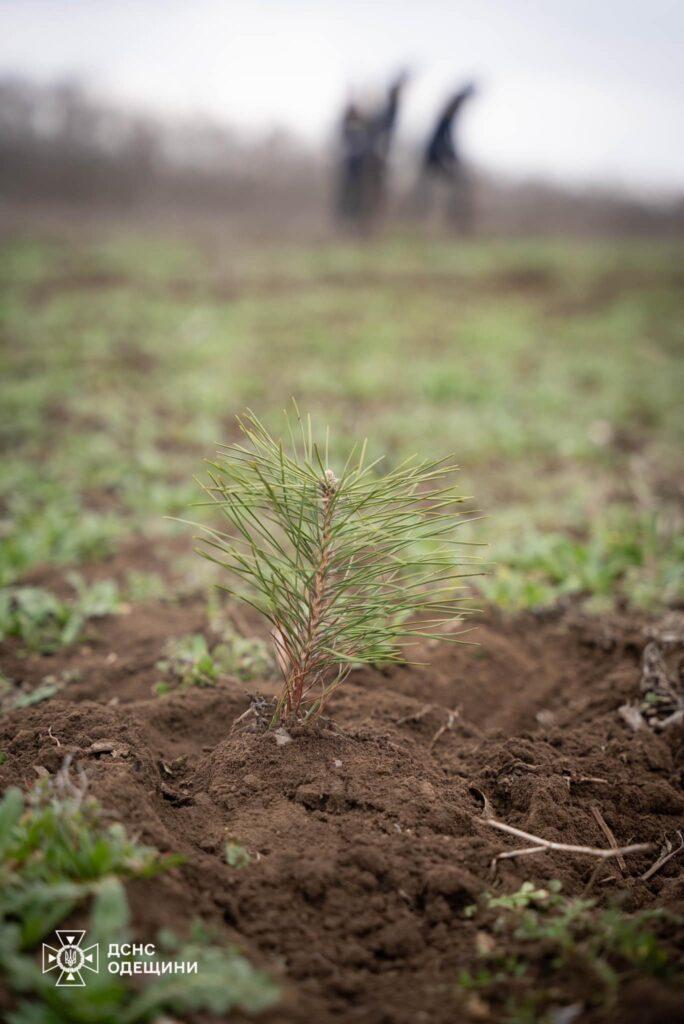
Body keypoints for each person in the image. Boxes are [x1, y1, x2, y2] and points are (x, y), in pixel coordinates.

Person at [336, 72, 409, 232]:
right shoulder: (352, 120)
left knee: (376, 195)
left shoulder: (374, 122)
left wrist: (395, 97)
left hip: (374, 166)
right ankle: (350, 224)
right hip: (354, 167)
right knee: (351, 198)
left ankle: (372, 224)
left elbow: (389, 120)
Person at [419, 82, 477, 231]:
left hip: (438, 155)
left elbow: (447, 137)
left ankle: (446, 223)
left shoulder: (449, 112)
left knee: (447, 188)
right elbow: (442, 137)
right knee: (442, 191)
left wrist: (452, 155)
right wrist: (449, 156)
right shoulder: (449, 113)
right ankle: (444, 223)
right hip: (435, 156)